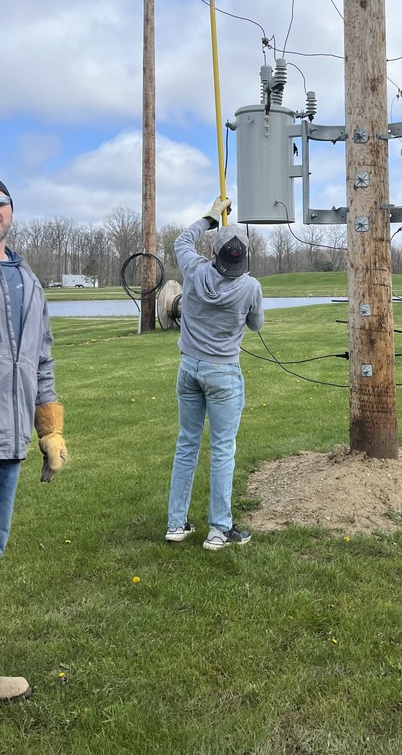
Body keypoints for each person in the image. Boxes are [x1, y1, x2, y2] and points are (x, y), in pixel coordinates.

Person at [0, 172, 68, 705]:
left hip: (7, 445)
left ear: (11, 210)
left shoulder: (28, 278)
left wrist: (49, 430)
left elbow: (42, 359)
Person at [166, 198, 264, 551]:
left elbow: (181, 242)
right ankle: (219, 530)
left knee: (187, 444)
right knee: (222, 450)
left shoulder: (194, 270)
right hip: (223, 374)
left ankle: (176, 524)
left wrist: (210, 217)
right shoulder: (250, 287)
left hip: (189, 369)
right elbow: (256, 325)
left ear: (215, 254)